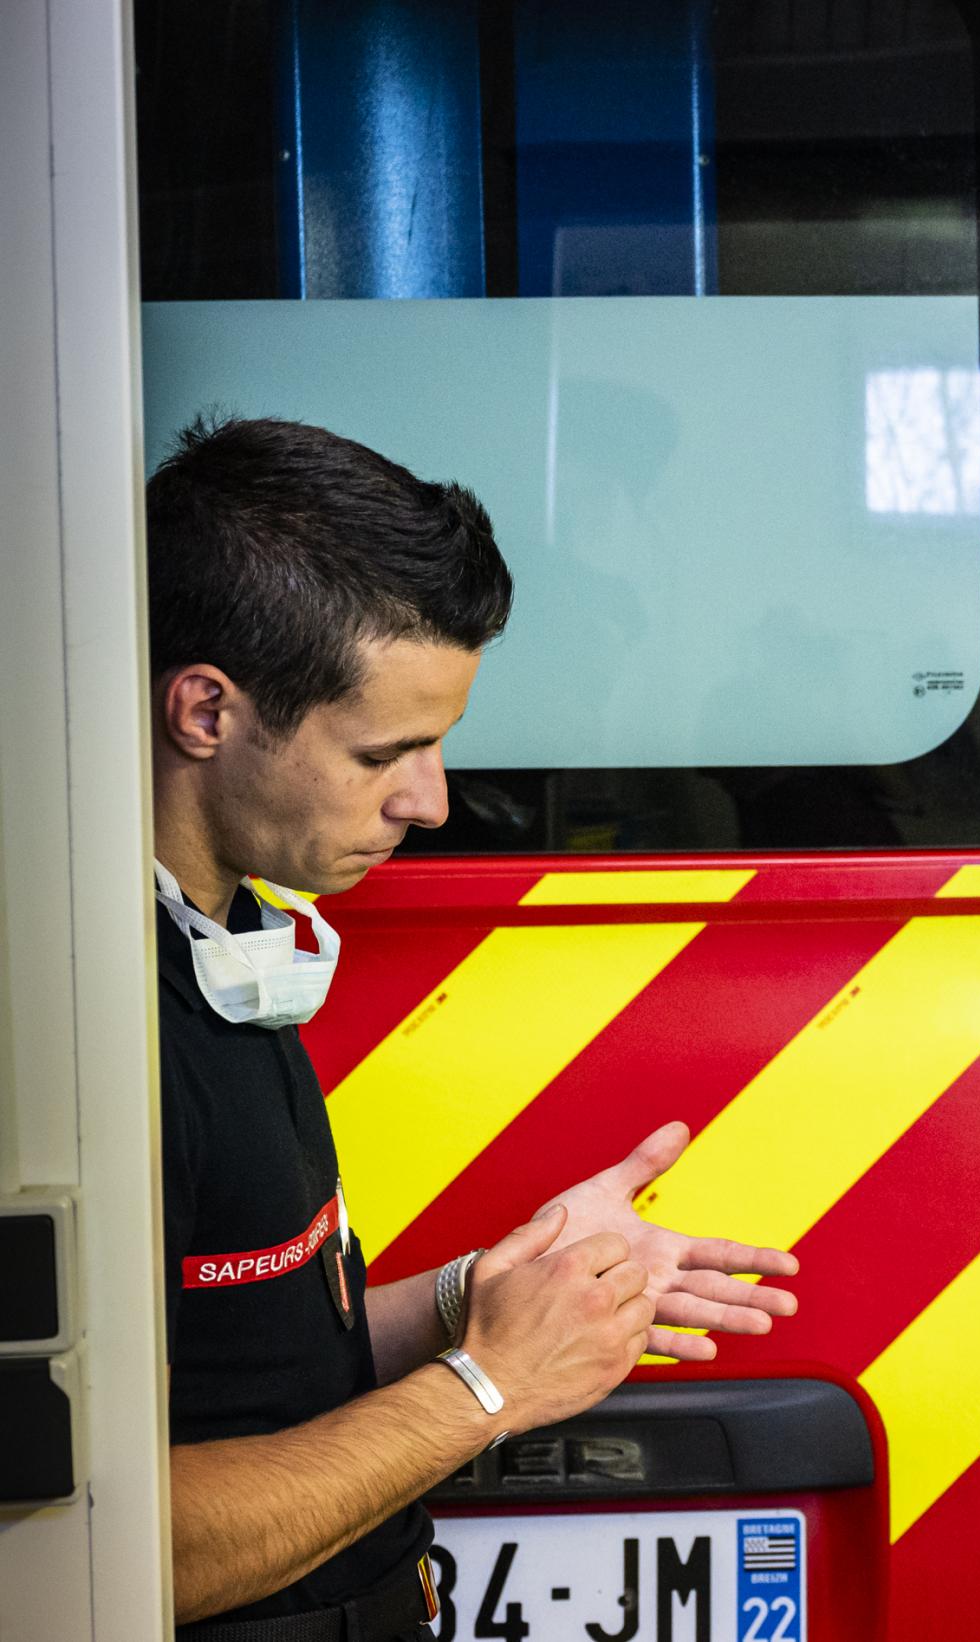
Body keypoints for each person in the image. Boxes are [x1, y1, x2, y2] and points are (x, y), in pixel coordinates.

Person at [147, 416, 802, 1640]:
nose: (431, 800)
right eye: (382, 751)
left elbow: (264, 1367)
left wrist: (488, 1295)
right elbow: (132, 1542)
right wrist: (491, 1384)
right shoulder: (97, 1038)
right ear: (205, 711)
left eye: (438, 743)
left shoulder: (224, 951)